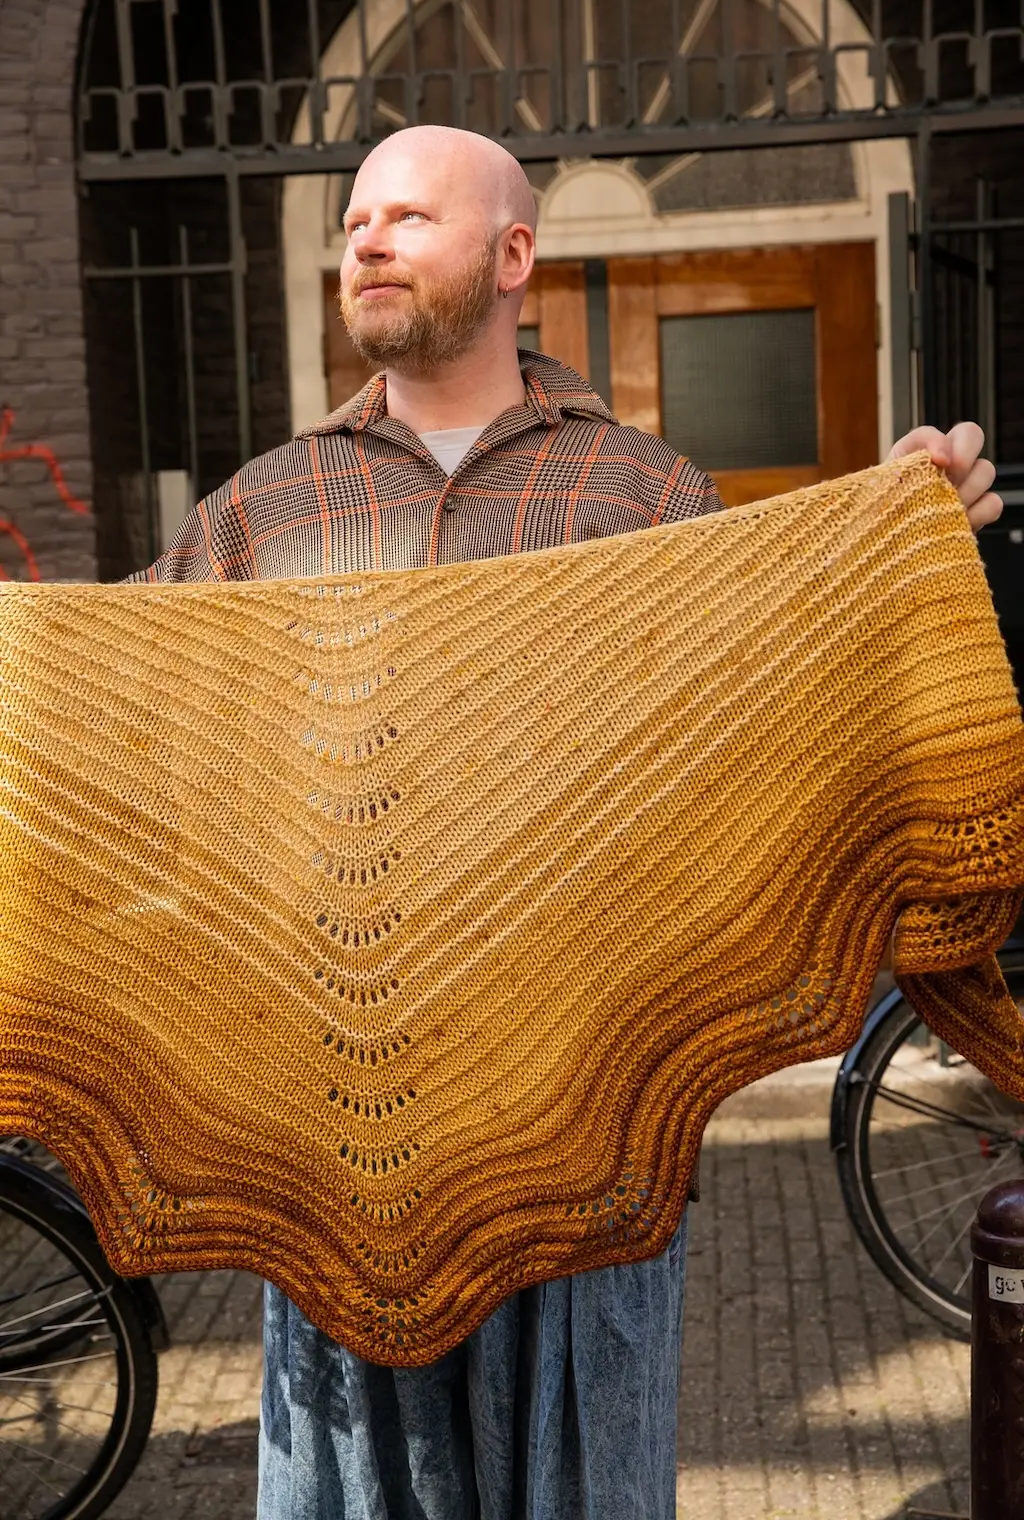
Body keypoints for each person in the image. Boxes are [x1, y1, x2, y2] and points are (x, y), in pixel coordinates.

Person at [132, 124, 1003, 1520]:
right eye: (354, 218)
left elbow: (765, 721)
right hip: (337, 1141)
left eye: (408, 217)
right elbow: (114, 706)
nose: (364, 240)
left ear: (512, 255)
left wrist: (893, 553)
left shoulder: (641, 497)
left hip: (591, 1122)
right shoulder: (268, 509)